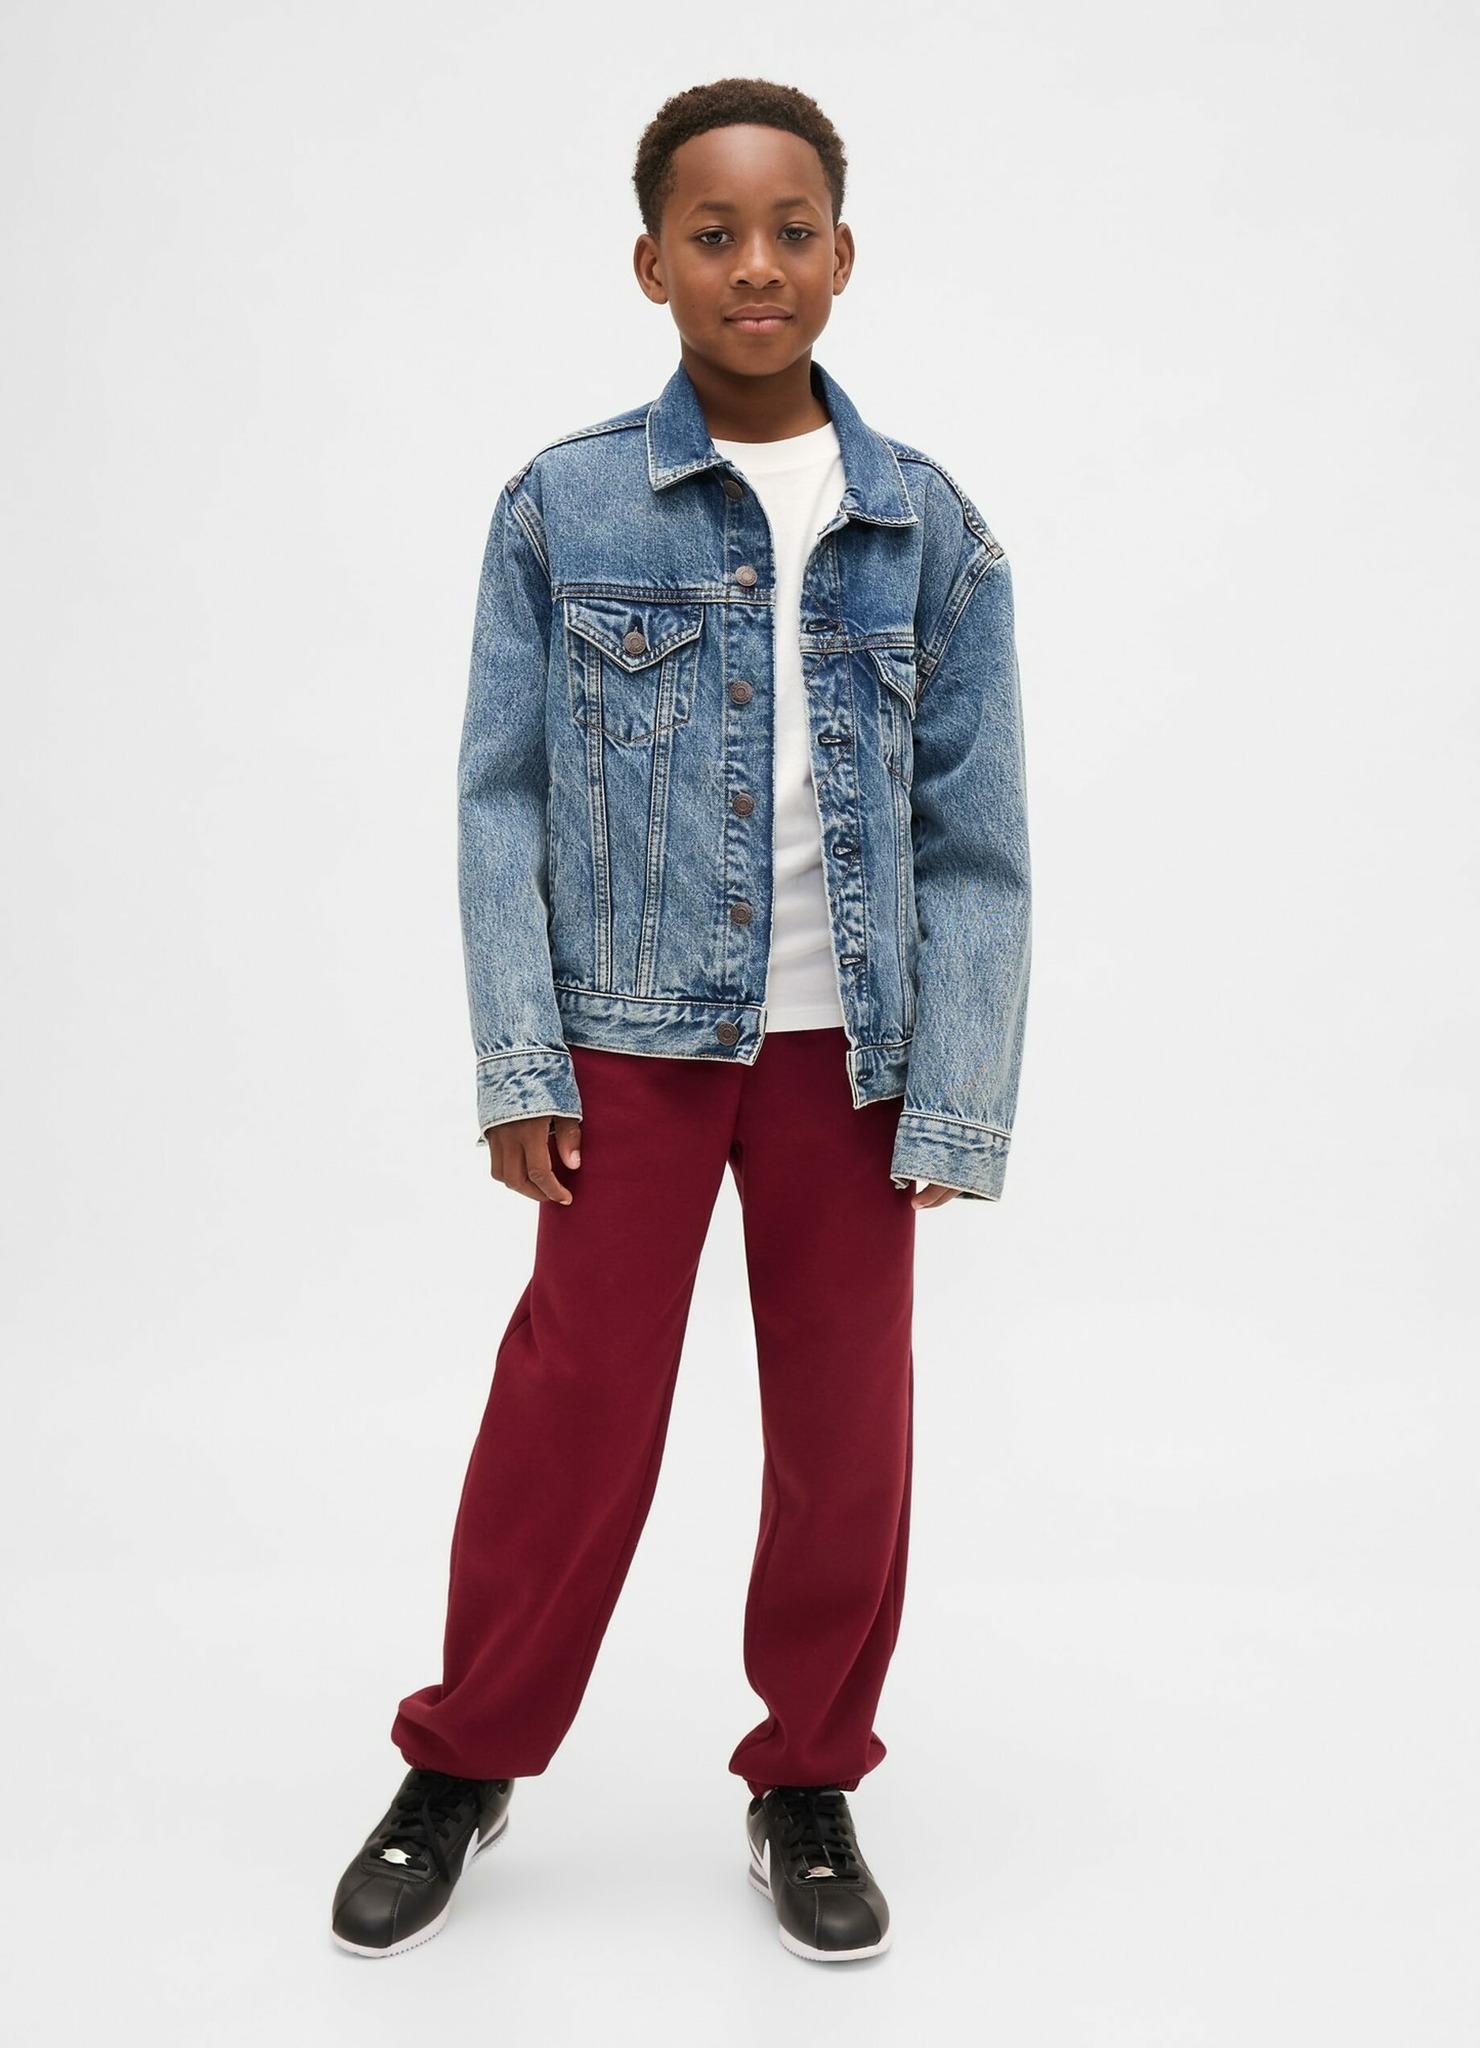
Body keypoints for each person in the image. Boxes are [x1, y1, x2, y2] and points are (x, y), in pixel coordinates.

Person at [331, 74, 1032, 1967]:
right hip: (626, 1045)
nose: (756, 265)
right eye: (713, 235)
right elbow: (497, 796)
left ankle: (807, 1775)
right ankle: (464, 1755)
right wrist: (519, 1054)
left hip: (849, 1061)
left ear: (845, 255)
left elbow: (978, 842)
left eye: (792, 231)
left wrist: (957, 1092)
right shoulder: (561, 505)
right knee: (572, 1405)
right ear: (651, 264)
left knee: (845, 1425)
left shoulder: (932, 529)